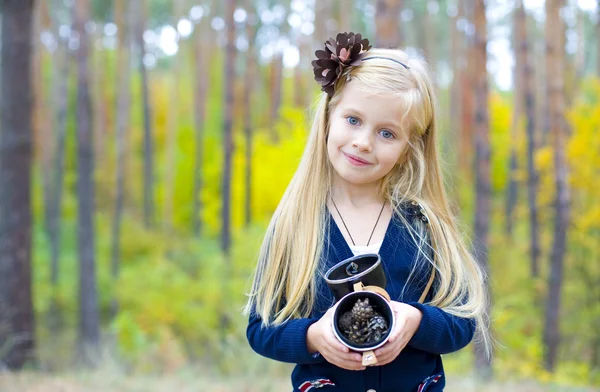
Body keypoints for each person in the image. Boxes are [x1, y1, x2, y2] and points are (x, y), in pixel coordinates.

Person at [243, 32, 491, 392]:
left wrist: (417, 320)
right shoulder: (296, 225)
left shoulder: (424, 226)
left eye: (387, 133)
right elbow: (260, 328)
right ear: (329, 117)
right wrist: (313, 336)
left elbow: (462, 323)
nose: (363, 142)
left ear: (409, 149)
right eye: (353, 120)